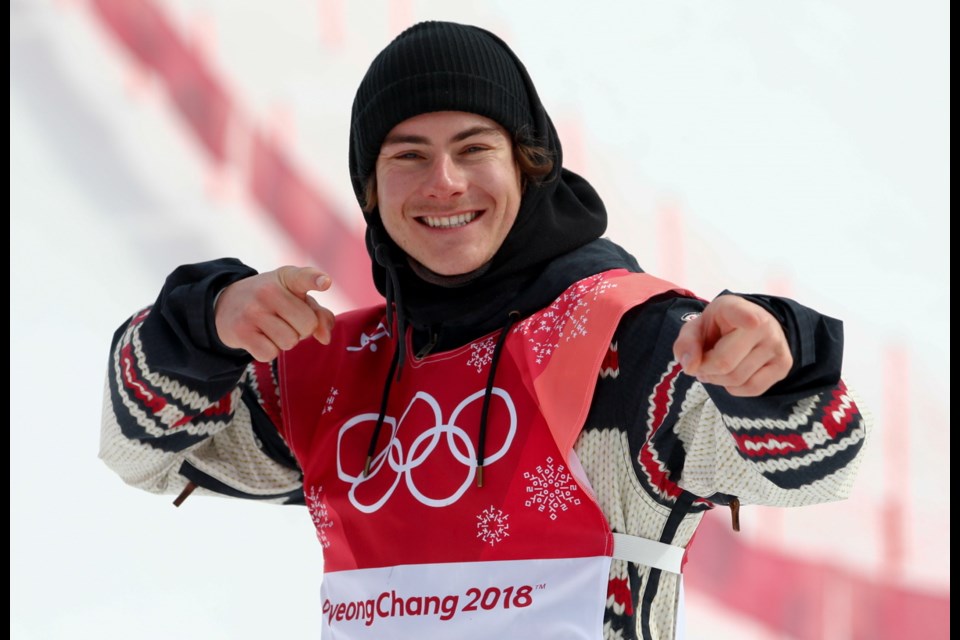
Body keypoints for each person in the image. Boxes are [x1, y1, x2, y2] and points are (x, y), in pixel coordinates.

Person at [99, 20, 869, 640]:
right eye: (408, 156)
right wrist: (202, 324)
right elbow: (142, 454)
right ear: (370, 193)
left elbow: (823, 464)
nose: (445, 183)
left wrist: (777, 367)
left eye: (475, 149)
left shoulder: (632, 346)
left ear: (528, 165)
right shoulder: (337, 369)